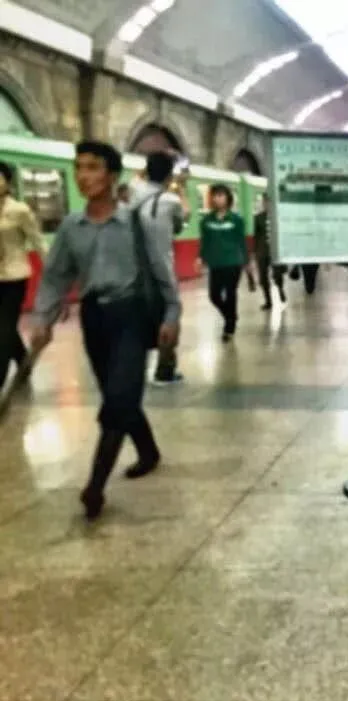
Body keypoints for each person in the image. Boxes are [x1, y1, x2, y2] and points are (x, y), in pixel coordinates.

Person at [30, 141, 181, 519]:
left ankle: (95, 487)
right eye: (79, 167)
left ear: (112, 176)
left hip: (132, 314)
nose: (83, 176)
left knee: (118, 398)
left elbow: (162, 270)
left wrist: (172, 314)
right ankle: (148, 450)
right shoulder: (71, 227)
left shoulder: (137, 223)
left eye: (93, 167)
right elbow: (56, 276)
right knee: (119, 393)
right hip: (95, 318)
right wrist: (43, 318)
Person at [130, 151, 187, 386]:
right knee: (172, 311)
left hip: (129, 270)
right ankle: (165, 370)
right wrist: (180, 190)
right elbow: (180, 224)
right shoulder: (170, 201)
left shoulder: (131, 190)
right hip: (158, 266)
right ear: (169, 176)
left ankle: (133, 368)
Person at [0, 161, 46, 394]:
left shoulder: (20, 210)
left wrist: (53, 274)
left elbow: (38, 241)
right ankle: (23, 361)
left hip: (15, 276)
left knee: (5, 327)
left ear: (7, 183)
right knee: (5, 328)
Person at [199, 184, 249, 342]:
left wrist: (246, 261)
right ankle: (230, 315)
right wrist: (200, 258)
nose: (218, 198)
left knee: (230, 293)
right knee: (214, 295)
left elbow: (241, 241)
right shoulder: (206, 220)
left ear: (228, 198)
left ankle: (229, 327)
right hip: (215, 264)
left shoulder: (236, 220)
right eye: (215, 195)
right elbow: (204, 242)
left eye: (221, 195)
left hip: (233, 262)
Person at [253, 193, 286, 311]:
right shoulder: (258, 218)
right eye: (265, 202)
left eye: (269, 202)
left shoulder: (279, 216)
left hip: (276, 251)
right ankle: (268, 301)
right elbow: (255, 236)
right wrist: (255, 252)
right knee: (263, 278)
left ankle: (280, 289)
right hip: (262, 252)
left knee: (277, 275)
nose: (266, 204)